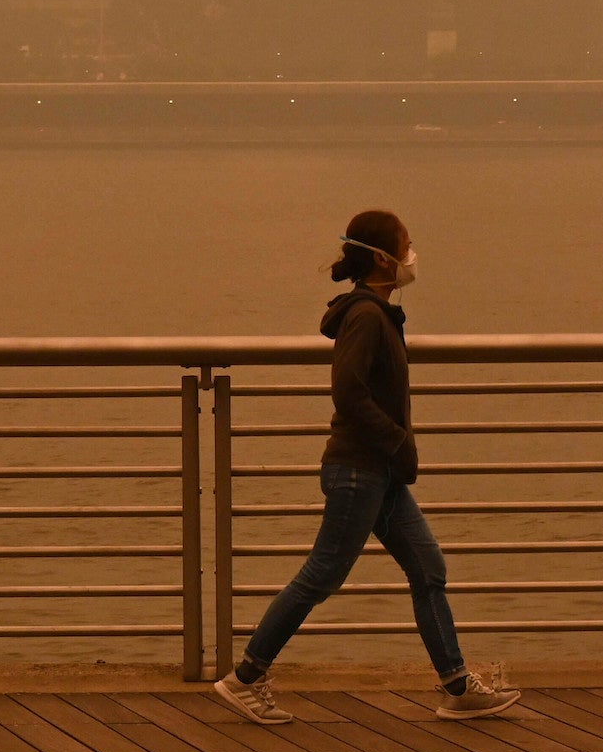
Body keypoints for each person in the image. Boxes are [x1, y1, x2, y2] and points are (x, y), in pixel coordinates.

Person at [213, 208, 521, 724]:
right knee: (321, 576)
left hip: (382, 475)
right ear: (382, 258)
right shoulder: (365, 317)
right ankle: (245, 678)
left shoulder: (377, 313)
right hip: (359, 471)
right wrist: (397, 440)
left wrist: (395, 453)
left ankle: (456, 687)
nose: (411, 255)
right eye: (405, 244)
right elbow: (348, 391)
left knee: (428, 568)